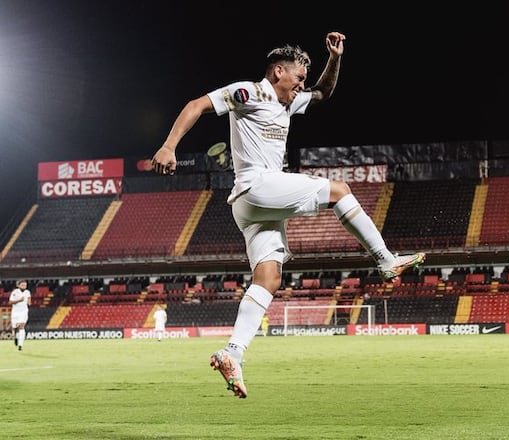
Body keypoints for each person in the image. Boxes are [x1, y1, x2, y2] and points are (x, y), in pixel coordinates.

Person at [150, 31, 425, 398]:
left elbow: (324, 93)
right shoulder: (249, 92)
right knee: (340, 190)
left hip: (252, 206)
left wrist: (335, 58)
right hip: (257, 186)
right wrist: (169, 146)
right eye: (298, 77)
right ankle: (386, 260)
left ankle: (233, 352)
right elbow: (197, 104)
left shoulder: (288, 104)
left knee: (268, 278)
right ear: (278, 71)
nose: (301, 85)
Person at [9, 280, 31, 351]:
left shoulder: (27, 292)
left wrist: (29, 303)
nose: (24, 286)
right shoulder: (15, 292)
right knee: (15, 328)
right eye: (22, 285)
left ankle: (20, 345)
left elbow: (29, 300)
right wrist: (19, 300)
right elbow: (10, 302)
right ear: (18, 285)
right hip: (15, 312)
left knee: (21, 326)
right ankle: (15, 337)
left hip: (24, 312)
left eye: (25, 285)